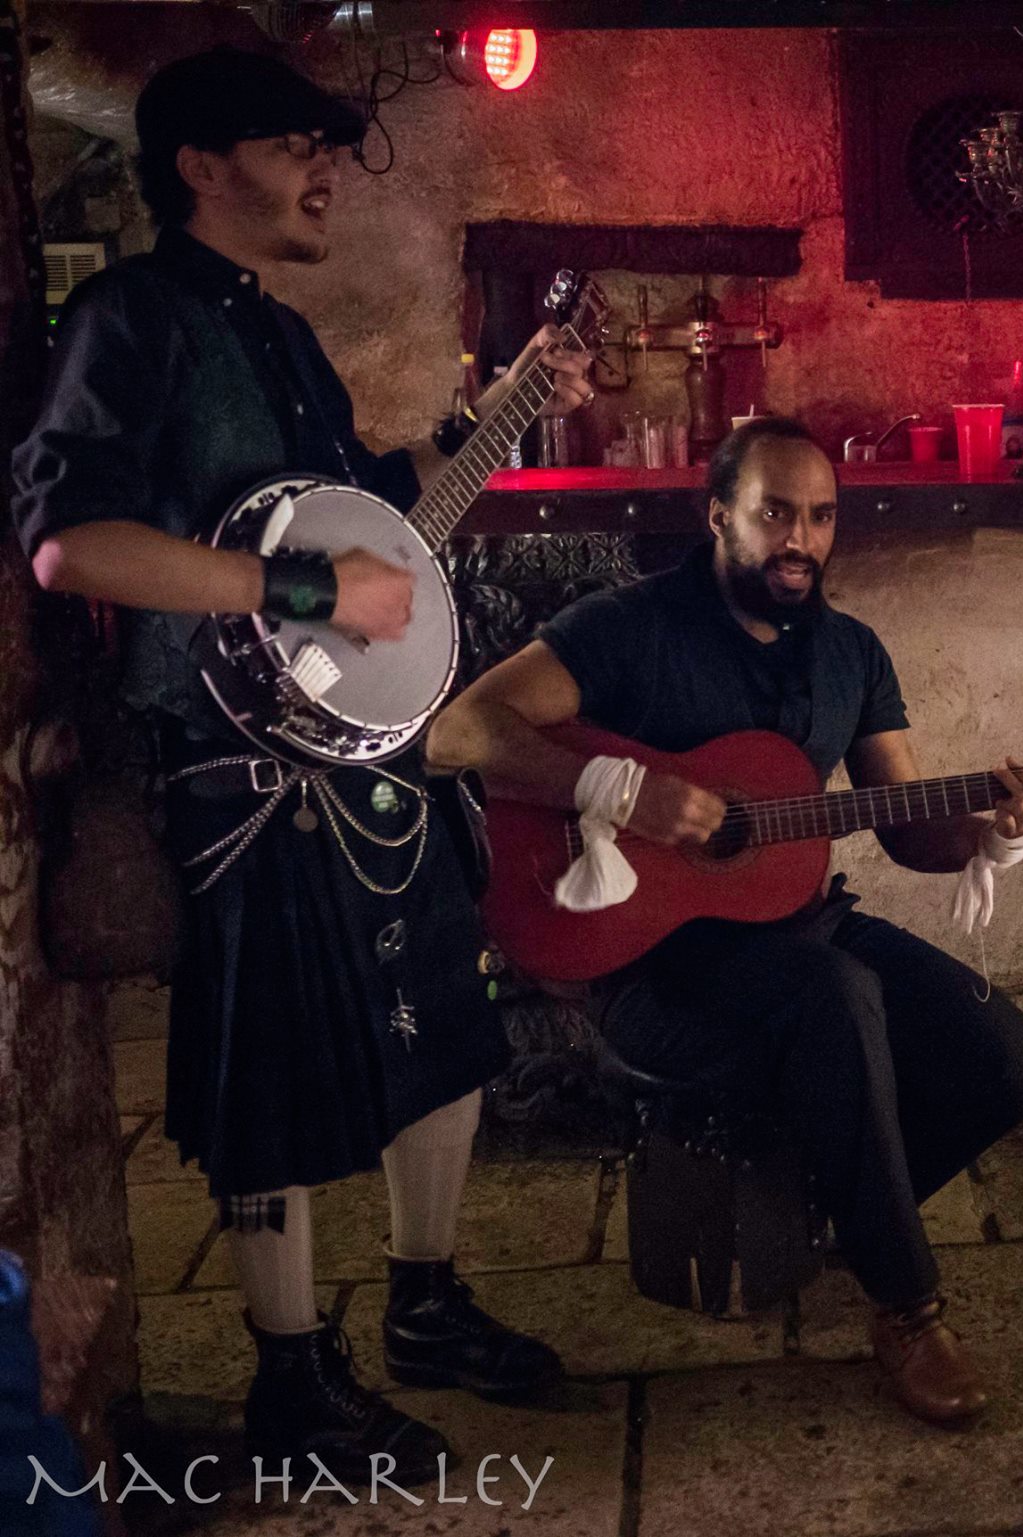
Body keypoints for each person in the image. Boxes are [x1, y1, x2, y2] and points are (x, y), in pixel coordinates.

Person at [12, 47, 595, 1482]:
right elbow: (70, 540)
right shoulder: (128, 321)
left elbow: (384, 527)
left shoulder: (278, 333)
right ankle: (291, 1381)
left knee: (448, 1026)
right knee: (274, 1075)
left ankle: (429, 1302)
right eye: (292, 145)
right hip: (229, 771)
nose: (324, 169)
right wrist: (306, 598)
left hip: (366, 761)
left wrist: (507, 408)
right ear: (200, 166)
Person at [427, 416, 1023, 1427]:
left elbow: (902, 826)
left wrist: (992, 834)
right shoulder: (629, 627)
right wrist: (612, 786)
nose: (798, 538)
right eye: (775, 514)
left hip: (798, 931)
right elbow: (455, 729)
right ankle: (907, 1306)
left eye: (819, 516)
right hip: (652, 966)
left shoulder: (851, 654)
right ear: (719, 516)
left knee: (1007, 1057)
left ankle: (849, 1218)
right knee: (836, 1000)